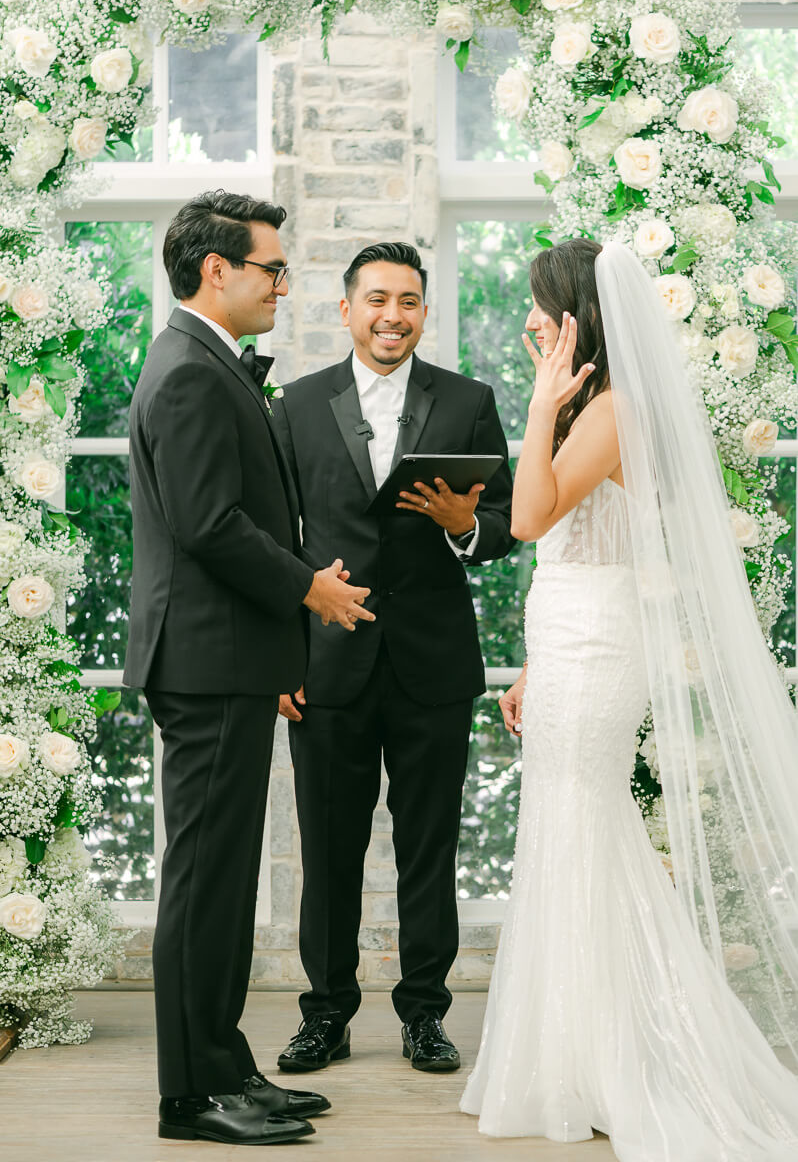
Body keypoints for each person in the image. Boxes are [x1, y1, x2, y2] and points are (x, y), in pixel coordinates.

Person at [460, 238, 798, 1161]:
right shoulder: (601, 406)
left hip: (600, 646)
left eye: (541, 305)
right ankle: (573, 1053)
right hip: (574, 638)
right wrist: (535, 664)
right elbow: (576, 543)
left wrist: (540, 408)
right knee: (572, 828)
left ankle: (624, 1056)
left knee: (583, 826)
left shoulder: (609, 410)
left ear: (580, 319)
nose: (529, 321)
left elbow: (527, 518)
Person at [123, 190, 375, 1146]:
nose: (283, 282)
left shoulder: (205, 362)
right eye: (271, 267)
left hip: (226, 657)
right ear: (215, 270)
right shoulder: (187, 371)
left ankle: (224, 1064)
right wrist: (311, 589)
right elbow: (209, 525)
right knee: (202, 881)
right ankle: (191, 1094)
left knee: (223, 879)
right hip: (204, 660)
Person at [271, 241, 515, 1075]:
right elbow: (272, 545)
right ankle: (325, 1013)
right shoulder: (295, 405)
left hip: (433, 666)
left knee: (430, 847)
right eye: (377, 299)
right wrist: (281, 661)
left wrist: (463, 525)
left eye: (408, 301)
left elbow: (508, 526)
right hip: (326, 667)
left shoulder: (469, 401)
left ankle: (425, 1015)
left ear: (423, 312)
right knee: (329, 851)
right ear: (346, 310)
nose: (393, 315)